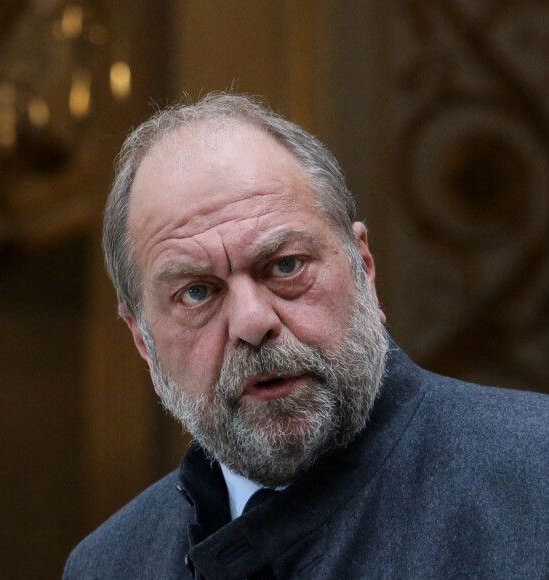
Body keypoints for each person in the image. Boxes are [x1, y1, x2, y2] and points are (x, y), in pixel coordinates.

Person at [64, 93, 548, 579]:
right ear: (143, 341)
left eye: (285, 266)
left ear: (363, 266)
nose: (253, 323)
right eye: (196, 293)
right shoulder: (108, 565)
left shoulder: (535, 470)